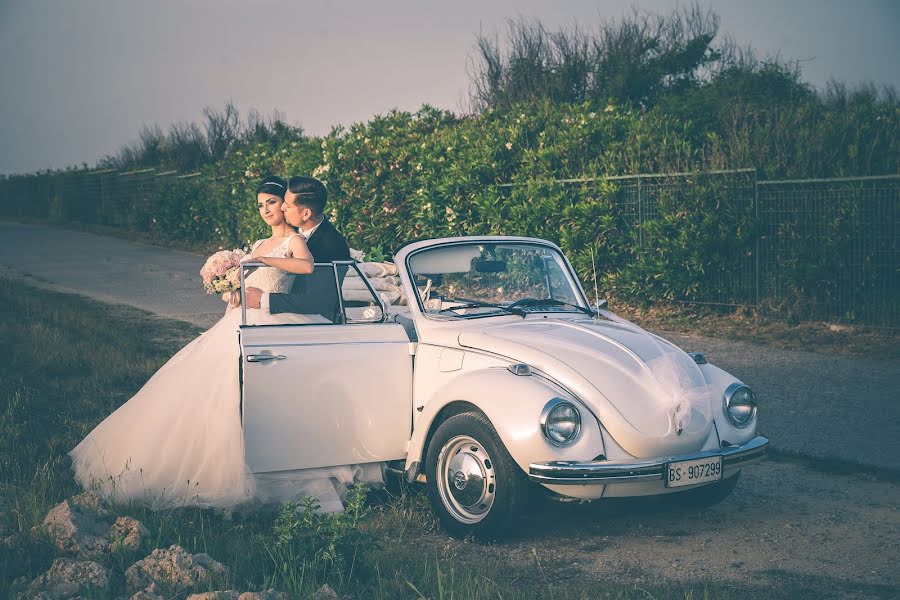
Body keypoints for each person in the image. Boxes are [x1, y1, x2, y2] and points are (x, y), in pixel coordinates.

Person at [68, 175, 316, 509]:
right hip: (238, 318)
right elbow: (246, 283)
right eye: (260, 205)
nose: (266, 210)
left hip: (268, 318)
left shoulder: (294, 241)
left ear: (285, 206)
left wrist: (265, 261)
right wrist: (231, 290)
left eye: (272, 202)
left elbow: (307, 266)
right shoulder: (257, 244)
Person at [242, 176, 350, 318]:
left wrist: (263, 299)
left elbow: (322, 301)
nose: (282, 207)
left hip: (314, 322)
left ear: (306, 214)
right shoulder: (291, 233)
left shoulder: (332, 245)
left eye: (287, 204)